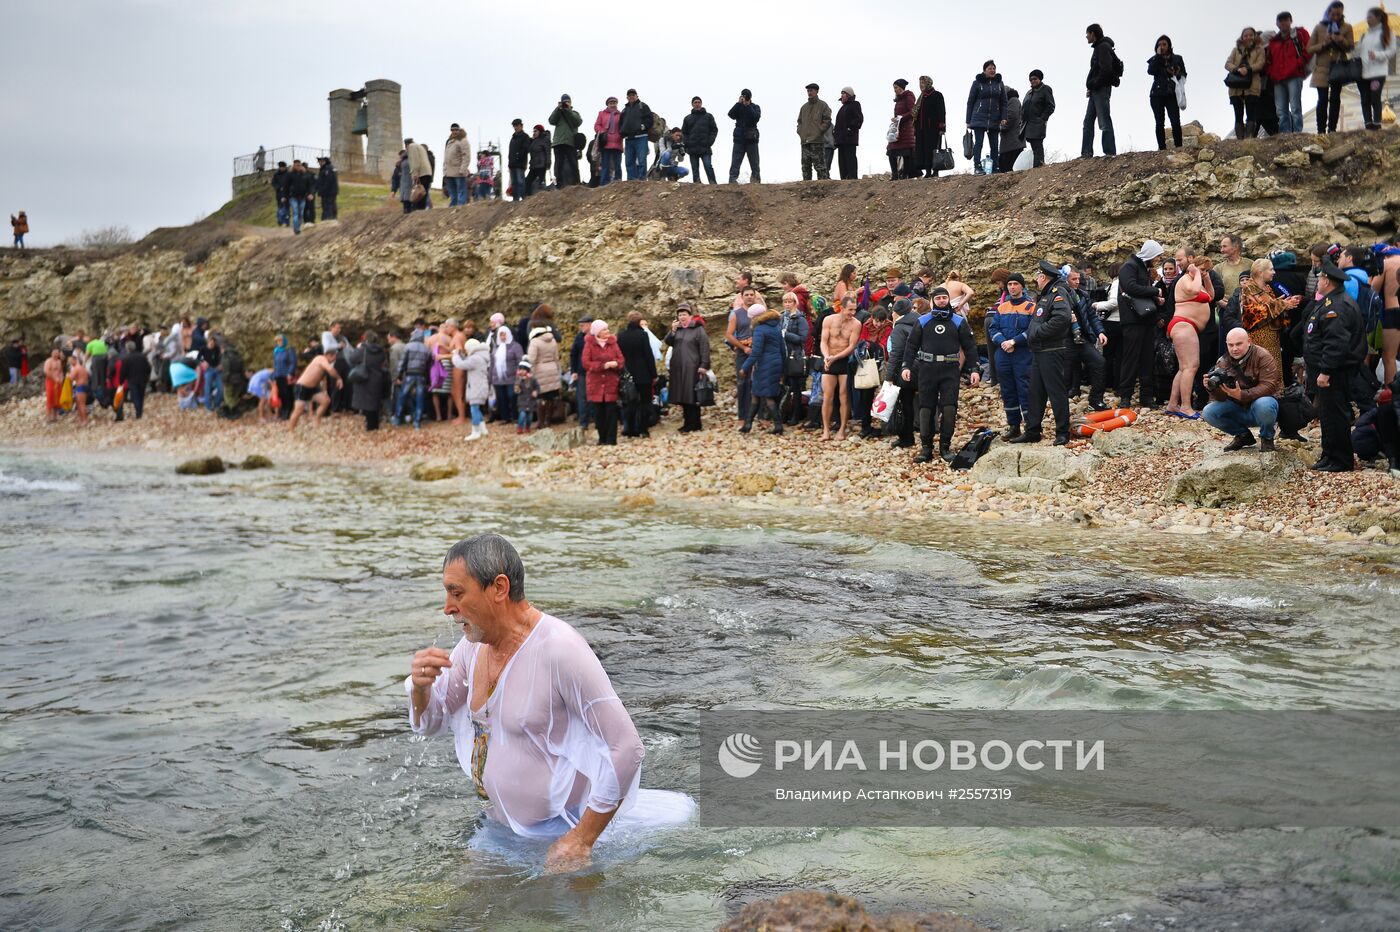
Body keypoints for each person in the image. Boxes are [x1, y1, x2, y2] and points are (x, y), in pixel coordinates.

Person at [407, 535, 691, 866]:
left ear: (499, 588)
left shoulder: (559, 649)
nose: (447, 608)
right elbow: (431, 723)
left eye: (457, 593)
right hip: (501, 828)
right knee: (466, 915)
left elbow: (627, 747)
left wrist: (582, 840)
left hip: (561, 835)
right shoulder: (473, 646)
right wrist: (420, 688)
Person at [900, 286, 981, 462]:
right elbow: (911, 345)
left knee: (949, 408)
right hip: (927, 369)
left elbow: (970, 347)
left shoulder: (959, 321)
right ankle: (926, 448)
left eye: (945, 298)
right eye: (938, 298)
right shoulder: (923, 321)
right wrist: (906, 366)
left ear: (948, 300)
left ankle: (945, 446)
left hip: (950, 369)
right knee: (926, 409)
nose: (942, 301)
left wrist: (974, 369)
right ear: (933, 301)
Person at [1304, 262, 1364, 471]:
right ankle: (1329, 455)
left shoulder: (1336, 306)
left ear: (1327, 281)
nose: (1317, 282)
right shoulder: (1331, 301)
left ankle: (1340, 460)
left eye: (1319, 279)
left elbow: (1336, 343)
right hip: (1326, 371)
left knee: (1336, 414)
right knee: (1327, 414)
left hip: (1335, 372)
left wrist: (1326, 371)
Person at [1010, 261, 1076, 445]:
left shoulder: (1057, 294)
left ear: (1043, 277)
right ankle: (1033, 430)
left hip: (1052, 350)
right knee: (1036, 393)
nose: (1036, 281)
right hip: (1040, 351)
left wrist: (1036, 333)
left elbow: (1061, 319)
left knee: (1056, 393)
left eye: (1038, 277)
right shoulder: (1047, 295)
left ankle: (1062, 432)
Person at [1202, 327, 1283, 452]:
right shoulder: (1222, 362)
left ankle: (1267, 438)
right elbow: (1220, 398)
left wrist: (1242, 394)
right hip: (1238, 407)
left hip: (1261, 406)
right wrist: (1211, 388)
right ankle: (1243, 436)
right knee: (1208, 412)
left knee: (1265, 404)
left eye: (1239, 344)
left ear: (1249, 341)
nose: (1234, 349)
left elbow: (1269, 386)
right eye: (1231, 345)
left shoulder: (1263, 356)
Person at [1116, 241, 1165, 408]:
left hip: (1145, 320)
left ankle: (1146, 397)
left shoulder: (1142, 267)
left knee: (1147, 359)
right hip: (1133, 321)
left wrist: (1155, 298)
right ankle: (1125, 397)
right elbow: (1130, 288)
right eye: (1157, 256)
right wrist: (1155, 291)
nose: (1158, 260)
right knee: (1131, 358)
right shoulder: (1129, 267)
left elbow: (1140, 291)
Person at [1165, 260, 1215, 418]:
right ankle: (1186, 406)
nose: (1204, 272)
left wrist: (1206, 278)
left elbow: (1211, 296)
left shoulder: (1198, 281)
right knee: (1191, 367)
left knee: (1184, 368)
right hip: (1183, 324)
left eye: (1207, 270)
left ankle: (1173, 404)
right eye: (1202, 269)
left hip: (1188, 326)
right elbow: (1193, 291)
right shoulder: (1187, 279)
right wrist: (1196, 272)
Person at [989, 273, 1036, 437]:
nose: (1012, 287)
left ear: (1022, 286)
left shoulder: (1031, 307)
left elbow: (1032, 330)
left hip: (1022, 354)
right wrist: (1003, 342)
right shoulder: (1002, 307)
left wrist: (1014, 342)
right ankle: (1013, 426)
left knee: (1025, 389)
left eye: (1016, 284)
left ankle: (1031, 427)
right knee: (1007, 390)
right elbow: (993, 329)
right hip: (1003, 354)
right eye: (1010, 284)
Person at [1241, 258, 1302, 374]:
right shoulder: (1248, 288)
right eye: (1271, 269)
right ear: (1260, 272)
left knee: (1274, 369)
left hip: (1273, 338)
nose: (1274, 272)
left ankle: (1276, 392)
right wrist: (1282, 304)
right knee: (1262, 370)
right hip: (1258, 338)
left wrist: (1286, 304)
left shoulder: (1267, 288)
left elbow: (1273, 306)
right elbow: (1253, 313)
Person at [1064, 268, 1110, 411]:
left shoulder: (1083, 295)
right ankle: (1061, 402)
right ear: (1065, 280)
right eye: (1074, 279)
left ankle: (1096, 400)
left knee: (1099, 363)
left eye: (1078, 279)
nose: (1077, 282)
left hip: (1083, 338)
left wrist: (1100, 332)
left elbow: (1091, 316)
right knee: (1066, 373)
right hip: (1065, 340)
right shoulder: (1058, 296)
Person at [1309, 2, 1356, 134]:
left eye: (1338, 14)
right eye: (1333, 14)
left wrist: (1341, 39)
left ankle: (1332, 129)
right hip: (1321, 68)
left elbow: (1350, 47)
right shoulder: (1319, 28)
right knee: (1322, 99)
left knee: (1335, 98)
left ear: (1342, 13)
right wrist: (1324, 43)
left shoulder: (1347, 27)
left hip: (1338, 67)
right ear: (1328, 13)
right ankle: (1321, 130)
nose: (1335, 17)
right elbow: (1309, 48)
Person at [738, 303, 784, 434]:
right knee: (756, 394)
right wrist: (783, 367)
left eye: (751, 318)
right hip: (775, 363)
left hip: (765, 365)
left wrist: (745, 367)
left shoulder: (759, 330)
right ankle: (748, 424)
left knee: (767, 396)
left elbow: (756, 352)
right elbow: (782, 348)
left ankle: (778, 425)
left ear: (756, 317)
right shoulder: (776, 326)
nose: (750, 320)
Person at [820, 295, 861, 441]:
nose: (852, 313)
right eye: (850, 310)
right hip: (829, 360)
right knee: (827, 396)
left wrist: (835, 357)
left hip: (843, 361)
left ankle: (842, 429)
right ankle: (826, 430)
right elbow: (824, 341)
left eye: (854, 310)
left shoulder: (856, 324)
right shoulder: (828, 320)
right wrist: (826, 356)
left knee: (844, 396)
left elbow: (851, 346)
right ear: (842, 308)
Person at [665, 303, 711, 432]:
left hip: (692, 367)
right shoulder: (677, 329)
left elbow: (704, 348)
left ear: (690, 316)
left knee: (691, 395)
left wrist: (704, 365)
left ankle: (695, 423)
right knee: (682, 395)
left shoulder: (698, 329)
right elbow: (668, 342)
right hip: (678, 367)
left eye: (684, 314)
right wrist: (672, 331)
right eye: (680, 315)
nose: (682, 317)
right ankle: (688, 422)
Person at [1265, 12, 1312, 133]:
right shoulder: (1273, 42)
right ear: (1277, 23)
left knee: (1295, 106)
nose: (1283, 23)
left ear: (1291, 21)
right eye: (1281, 20)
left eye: (1286, 20)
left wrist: (1299, 63)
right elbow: (1269, 60)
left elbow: (1309, 49)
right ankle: (1285, 135)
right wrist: (1271, 73)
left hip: (1294, 76)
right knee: (1281, 110)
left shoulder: (1300, 33)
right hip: (1278, 79)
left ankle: (1297, 133)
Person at [617, 312, 658, 438]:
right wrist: (654, 374)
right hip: (643, 373)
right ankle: (643, 429)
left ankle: (630, 429)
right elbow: (648, 355)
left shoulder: (621, 336)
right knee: (645, 402)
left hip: (627, 374)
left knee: (630, 402)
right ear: (640, 321)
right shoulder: (643, 335)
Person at [582, 320, 623, 445]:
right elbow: (586, 363)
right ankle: (602, 438)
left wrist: (616, 364)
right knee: (599, 413)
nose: (607, 331)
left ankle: (611, 439)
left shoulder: (613, 343)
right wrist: (602, 366)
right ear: (597, 332)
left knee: (611, 412)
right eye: (604, 330)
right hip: (595, 383)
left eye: (607, 329)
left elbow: (621, 359)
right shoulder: (589, 344)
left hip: (611, 382)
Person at [1082, 23, 1120, 158]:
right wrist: (1091, 87)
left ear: (1093, 33)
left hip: (1101, 89)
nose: (1086, 36)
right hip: (1095, 90)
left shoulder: (1103, 47)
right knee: (1088, 121)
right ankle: (1086, 153)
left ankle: (1109, 153)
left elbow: (1106, 70)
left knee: (1104, 120)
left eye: (1087, 33)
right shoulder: (1099, 47)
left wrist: (1095, 84)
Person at [966, 62, 1008, 175]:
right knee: (979, 143)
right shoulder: (977, 83)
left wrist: (1004, 117)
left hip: (994, 117)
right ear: (984, 70)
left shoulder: (999, 83)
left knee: (994, 144)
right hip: (979, 117)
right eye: (990, 68)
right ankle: (977, 166)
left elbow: (1004, 102)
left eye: (994, 68)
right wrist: (968, 120)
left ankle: (995, 167)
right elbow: (970, 102)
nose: (992, 70)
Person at [1226, 27, 1268, 140]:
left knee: (1251, 114)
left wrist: (1248, 69)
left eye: (1251, 35)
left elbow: (1260, 64)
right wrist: (1237, 69)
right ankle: (1240, 140)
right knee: (1238, 115)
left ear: (1255, 37)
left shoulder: (1259, 50)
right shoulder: (1235, 50)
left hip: (1252, 86)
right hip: (1236, 87)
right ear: (1242, 37)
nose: (1248, 37)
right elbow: (1227, 64)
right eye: (1246, 35)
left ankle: (1249, 141)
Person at [1357, 7, 1396, 130]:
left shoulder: (1387, 32)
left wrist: (1377, 55)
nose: (1367, 20)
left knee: (1375, 97)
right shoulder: (1365, 35)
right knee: (1365, 99)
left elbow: (1392, 51)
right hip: (1363, 73)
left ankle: (1377, 124)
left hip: (1377, 73)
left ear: (1378, 18)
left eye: (1370, 17)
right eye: (1367, 17)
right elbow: (1359, 52)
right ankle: (1368, 124)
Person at [778, 290, 812, 425]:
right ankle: (785, 412)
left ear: (795, 303)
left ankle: (796, 415)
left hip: (795, 356)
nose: (787, 304)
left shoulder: (800, 319)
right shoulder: (782, 317)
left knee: (796, 387)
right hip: (783, 355)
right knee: (785, 386)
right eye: (785, 302)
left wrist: (786, 334)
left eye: (789, 302)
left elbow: (803, 338)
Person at [727, 286, 759, 425]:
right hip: (742, 352)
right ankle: (742, 416)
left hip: (759, 352)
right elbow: (729, 335)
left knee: (758, 382)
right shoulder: (736, 314)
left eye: (752, 294)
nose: (750, 297)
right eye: (747, 295)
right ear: (742, 297)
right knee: (742, 383)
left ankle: (761, 416)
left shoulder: (760, 313)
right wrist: (743, 348)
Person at [1147, 36, 1187, 149]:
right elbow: (1150, 71)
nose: (1162, 47)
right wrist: (1158, 56)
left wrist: (1176, 73)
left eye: (1164, 44)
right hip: (1157, 94)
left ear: (1169, 45)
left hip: (1171, 93)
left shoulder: (1177, 58)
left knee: (1175, 121)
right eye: (1159, 44)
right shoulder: (1155, 59)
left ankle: (1179, 147)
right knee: (1159, 123)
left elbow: (1184, 74)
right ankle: (1162, 149)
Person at [289, 347, 342, 429]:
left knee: (326, 401)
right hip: (302, 386)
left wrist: (324, 391)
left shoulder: (325, 365)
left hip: (313, 388)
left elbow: (323, 380)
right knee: (299, 410)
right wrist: (339, 378)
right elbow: (331, 370)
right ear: (329, 355)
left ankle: (316, 419)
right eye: (333, 358)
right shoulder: (320, 358)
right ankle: (291, 429)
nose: (333, 361)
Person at [392, 330, 433, 428]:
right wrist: (428, 380)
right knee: (420, 398)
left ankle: (397, 419)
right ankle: (417, 422)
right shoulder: (426, 349)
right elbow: (428, 366)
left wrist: (398, 376)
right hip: (421, 376)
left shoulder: (408, 346)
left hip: (409, 375)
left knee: (403, 396)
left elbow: (402, 363)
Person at [348, 332, 388, 431]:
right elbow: (383, 361)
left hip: (364, 378)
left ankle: (370, 426)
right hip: (377, 378)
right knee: (375, 401)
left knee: (365, 402)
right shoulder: (381, 350)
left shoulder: (362, 350)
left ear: (365, 339)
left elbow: (352, 359)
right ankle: (375, 424)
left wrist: (357, 348)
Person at [910, 77, 948, 179]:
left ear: (928, 83)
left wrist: (942, 127)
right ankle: (927, 171)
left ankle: (935, 171)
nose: (921, 85)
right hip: (921, 129)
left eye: (923, 83)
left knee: (934, 149)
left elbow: (941, 111)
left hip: (933, 129)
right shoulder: (921, 97)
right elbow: (915, 114)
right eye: (920, 83)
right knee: (923, 149)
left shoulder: (937, 95)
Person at [797, 83, 833, 181]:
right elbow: (799, 122)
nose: (809, 92)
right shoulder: (804, 107)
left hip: (817, 141)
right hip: (805, 141)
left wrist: (820, 131)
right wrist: (800, 132)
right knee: (805, 167)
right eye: (808, 91)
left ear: (817, 91)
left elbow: (827, 120)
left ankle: (823, 189)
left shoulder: (823, 105)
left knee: (820, 167)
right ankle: (806, 189)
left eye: (811, 90)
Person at [680, 97, 719, 184]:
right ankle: (697, 186)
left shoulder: (708, 116)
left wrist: (710, 141)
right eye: (695, 102)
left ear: (701, 103)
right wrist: (686, 144)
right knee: (695, 169)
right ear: (692, 104)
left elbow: (714, 130)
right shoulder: (687, 118)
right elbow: (684, 133)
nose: (697, 104)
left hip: (705, 147)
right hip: (692, 148)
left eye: (698, 102)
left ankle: (713, 184)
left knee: (708, 166)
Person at [1021, 71, 1056, 168]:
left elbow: (1050, 106)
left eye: (1035, 79)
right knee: (1033, 145)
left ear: (1040, 79)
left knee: (1037, 145)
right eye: (1031, 79)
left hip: (1038, 123)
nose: (1033, 81)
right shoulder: (1030, 92)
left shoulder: (1045, 89)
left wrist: (1042, 118)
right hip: (1028, 123)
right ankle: (1037, 166)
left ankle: (1039, 166)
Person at [619, 89, 653, 181]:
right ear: (627, 97)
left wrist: (643, 126)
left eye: (633, 95)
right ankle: (631, 180)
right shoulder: (624, 110)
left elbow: (650, 119)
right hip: (628, 139)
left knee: (642, 160)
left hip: (641, 137)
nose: (631, 97)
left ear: (637, 96)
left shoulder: (643, 106)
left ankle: (642, 179)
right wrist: (622, 132)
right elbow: (621, 123)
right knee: (629, 161)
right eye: (629, 95)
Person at [548, 95, 583, 188]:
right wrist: (557, 108)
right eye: (564, 101)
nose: (566, 103)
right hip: (558, 142)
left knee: (573, 163)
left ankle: (577, 183)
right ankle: (559, 184)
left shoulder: (574, 113)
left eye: (568, 101)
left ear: (571, 102)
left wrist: (568, 110)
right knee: (558, 164)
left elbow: (578, 121)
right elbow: (551, 120)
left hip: (570, 142)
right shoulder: (558, 113)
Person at [728, 89, 762, 183]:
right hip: (739, 139)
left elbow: (755, 118)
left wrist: (748, 106)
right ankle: (732, 180)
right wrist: (738, 103)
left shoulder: (755, 107)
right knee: (735, 161)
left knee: (754, 162)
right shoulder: (739, 106)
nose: (745, 98)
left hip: (752, 139)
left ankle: (755, 180)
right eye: (743, 96)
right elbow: (730, 115)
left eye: (746, 96)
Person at [116, 339, 151, 420]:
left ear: (127, 349)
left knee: (135, 396)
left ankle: (139, 413)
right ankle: (140, 411)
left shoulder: (126, 358)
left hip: (132, 380)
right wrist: (147, 376)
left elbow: (123, 371)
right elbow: (148, 367)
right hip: (143, 379)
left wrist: (121, 382)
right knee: (141, 395)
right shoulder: (142, 356)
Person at [888, 79, 917, 179]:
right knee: (891, 150)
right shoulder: (898, 100)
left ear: (901, 87)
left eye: (895, 88)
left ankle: (905, 175)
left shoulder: (908, 97)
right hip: (897, 129)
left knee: (906, 152)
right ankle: (894, 175)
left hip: (906, 129)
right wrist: (896, 120)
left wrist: (901, 118)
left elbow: (913, 112)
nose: (894, 90)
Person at [834, 87, 864, 180]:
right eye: (841, 93)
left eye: (844, 93)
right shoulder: (842, 108)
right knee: (842, 161)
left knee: (850, 158)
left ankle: (852, 178)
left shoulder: (855, 104)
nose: (842, 95)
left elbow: (859, 119)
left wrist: (850, 128)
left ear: (849, 94)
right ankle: (844, 178)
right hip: (840, 139)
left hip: (850, 138)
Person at [594, 97, 624, 186]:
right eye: (610, 103)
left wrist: (621, 134)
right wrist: (602, 131)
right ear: (607, 104)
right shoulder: (601, 114)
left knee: (617, 165)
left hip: (617, 142)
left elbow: (623, 126)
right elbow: (597, 125)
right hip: (605, 142)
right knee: (605, 165)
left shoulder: (621, 114)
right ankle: (604, 183)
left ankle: (618, 182)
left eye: (614, 103)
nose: (612, 104)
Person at [443, 124, 472, 206]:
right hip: (449, 171)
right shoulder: (449, 141)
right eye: (452, 130)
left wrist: (463, 169)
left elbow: (466, 156)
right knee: (452, 191)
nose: (454, 132)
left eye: (456, 130)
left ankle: (461, 206)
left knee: (461, 190)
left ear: (459, 130)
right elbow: (446, 157)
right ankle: (453, 206)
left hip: (459, 171)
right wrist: (445, 170)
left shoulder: (463, 141)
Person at [998, 89, 1026, 173]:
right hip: (1011, 142)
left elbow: (1011, 116)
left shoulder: (1013, 100)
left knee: (1009, 167)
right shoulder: (1009, 102)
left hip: (1013, 142)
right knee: (1005, 167)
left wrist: (1000, 127)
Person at [286, 161, 313, 233]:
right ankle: (296, 229)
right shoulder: (290, 175)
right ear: (294, 166)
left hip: (302, 197)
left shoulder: (305, 175)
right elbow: (286, 186)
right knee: (295, 212)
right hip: (293, 197)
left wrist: (310, 193)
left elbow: (309, 186)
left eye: (299, 165)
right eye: (296, 165)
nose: (298, 167)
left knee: (300, 213)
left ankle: (298, 227)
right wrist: (285, 196)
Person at [513, 361, 540, 433]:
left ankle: (528, 427)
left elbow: (537, 387)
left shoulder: (533, 379)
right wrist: (517, 388)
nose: (522, 371)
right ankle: (520, 427)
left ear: (527, 370)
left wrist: (536, 391)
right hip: (522, 401)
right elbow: (516, 389)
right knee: (522, 414)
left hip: (531, 401)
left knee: (530, 417)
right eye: (520, 369)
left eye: (524, 369)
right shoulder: (518, 379)